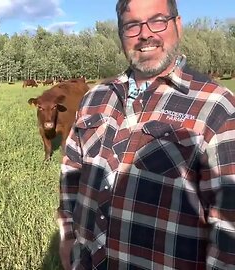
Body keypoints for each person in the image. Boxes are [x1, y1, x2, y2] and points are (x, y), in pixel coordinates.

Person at [57, 0, 235, 269]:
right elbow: (71, 173)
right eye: (132, 25)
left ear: (178, 24)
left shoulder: (216, 106)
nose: (145, 34)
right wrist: (68, 234)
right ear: (120, 35)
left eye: (158, 20)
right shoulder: (94, 98)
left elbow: (229, 225)